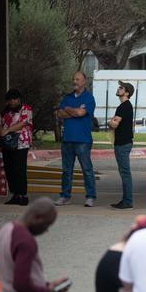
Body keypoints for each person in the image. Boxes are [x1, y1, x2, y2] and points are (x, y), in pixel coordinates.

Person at [55, 71, 97, 207]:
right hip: (67, 139)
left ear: (84, 81)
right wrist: (74, 111)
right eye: (73, 79)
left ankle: (90, 197)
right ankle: (65, 196)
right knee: (66, 170)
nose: (75, 81)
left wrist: (68, 110)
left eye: (78, 79)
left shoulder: (89, 98)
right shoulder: (67, 98)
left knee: (87, 170)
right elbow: (60, 114)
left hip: (83, 140)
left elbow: (81, 113)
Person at [0, 89, 33, 206]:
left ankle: (23, 195)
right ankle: (15, 195)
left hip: (21, 143)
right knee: (9, 169)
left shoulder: (26, 109)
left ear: (19, 99)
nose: (12, 101)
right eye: (10, 99)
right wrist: (1, 131)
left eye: (15, 99)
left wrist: (6, 130)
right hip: (7, 144)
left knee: (19, 169)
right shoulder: (4, 112)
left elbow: (22, 124)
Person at [108, 81, 135, 210]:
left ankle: (127, 201)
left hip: (122, 144)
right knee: (124, 172)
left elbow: (114, 124)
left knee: (125, 173)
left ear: (127, 92)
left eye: (121, 88)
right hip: (123, 142)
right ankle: (126, 200)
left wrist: (110, 121)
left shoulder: (123, 107)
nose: (118, 89)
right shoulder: (125, 106)